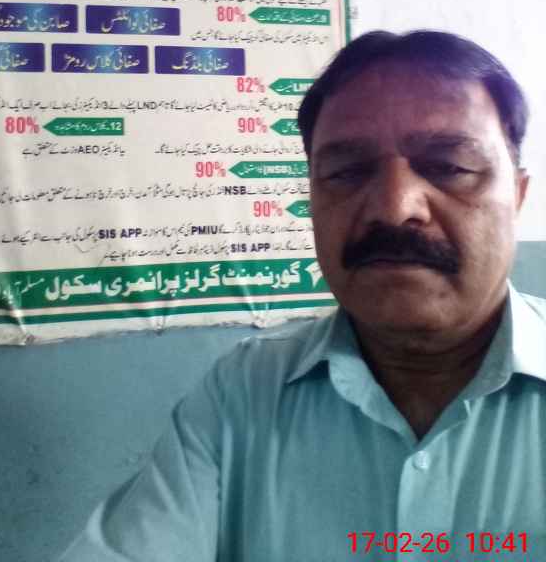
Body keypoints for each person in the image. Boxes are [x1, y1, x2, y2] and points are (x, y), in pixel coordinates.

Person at [59, 30, 546, 562]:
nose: (394, 207)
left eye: (449, 167)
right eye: (347, 172)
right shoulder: (242, 394)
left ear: (517, 196)